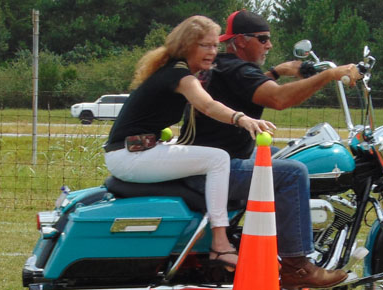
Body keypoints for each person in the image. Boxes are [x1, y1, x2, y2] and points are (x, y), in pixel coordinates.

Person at [190, 9, 362, 290]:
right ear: (241, 41)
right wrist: (329, 75)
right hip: (217, 167)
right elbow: (278, 99)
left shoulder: (222, 65)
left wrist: (277, 72)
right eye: (263, 39)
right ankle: (297, 266)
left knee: (283, 154)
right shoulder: (238, 70)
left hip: (211, 158)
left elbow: (247, 87)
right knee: (293, 173)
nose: (269, 45)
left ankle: (283, 241)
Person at [103, 15, 273, 272]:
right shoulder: (180, 75)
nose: (212, 52)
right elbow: (207, 105)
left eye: (215, 45)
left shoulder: (174, 71)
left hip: (134, 152)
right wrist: (242, 119)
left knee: (209, 156)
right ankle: (220, 244)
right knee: (218, 158)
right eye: (205, 45)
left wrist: (277, 73)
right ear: (186, 46)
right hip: (129, 157)